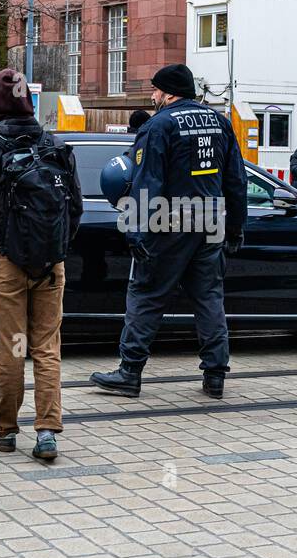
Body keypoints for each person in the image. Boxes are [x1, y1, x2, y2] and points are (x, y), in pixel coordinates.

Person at [90, 63, 247, 400]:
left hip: (169, 221)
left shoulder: (158, 126)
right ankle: (215, 375)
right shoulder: (221, 123)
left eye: (155, 90)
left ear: (168, 92)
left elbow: (148, 183)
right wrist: (235, 227)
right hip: (210, 220)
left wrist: (135, 234)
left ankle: (129, 372)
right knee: (208, 298)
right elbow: (236, 180)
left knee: (146, 294)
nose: (152, 95)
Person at [0, 69, 83, 460]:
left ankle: (3, 430)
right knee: (47, 347)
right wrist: (57, 247)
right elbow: (75, 207)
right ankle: (47, 431)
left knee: (11, 348)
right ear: (29, 100)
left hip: (5, 264)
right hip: (50, 264)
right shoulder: (55, 145)